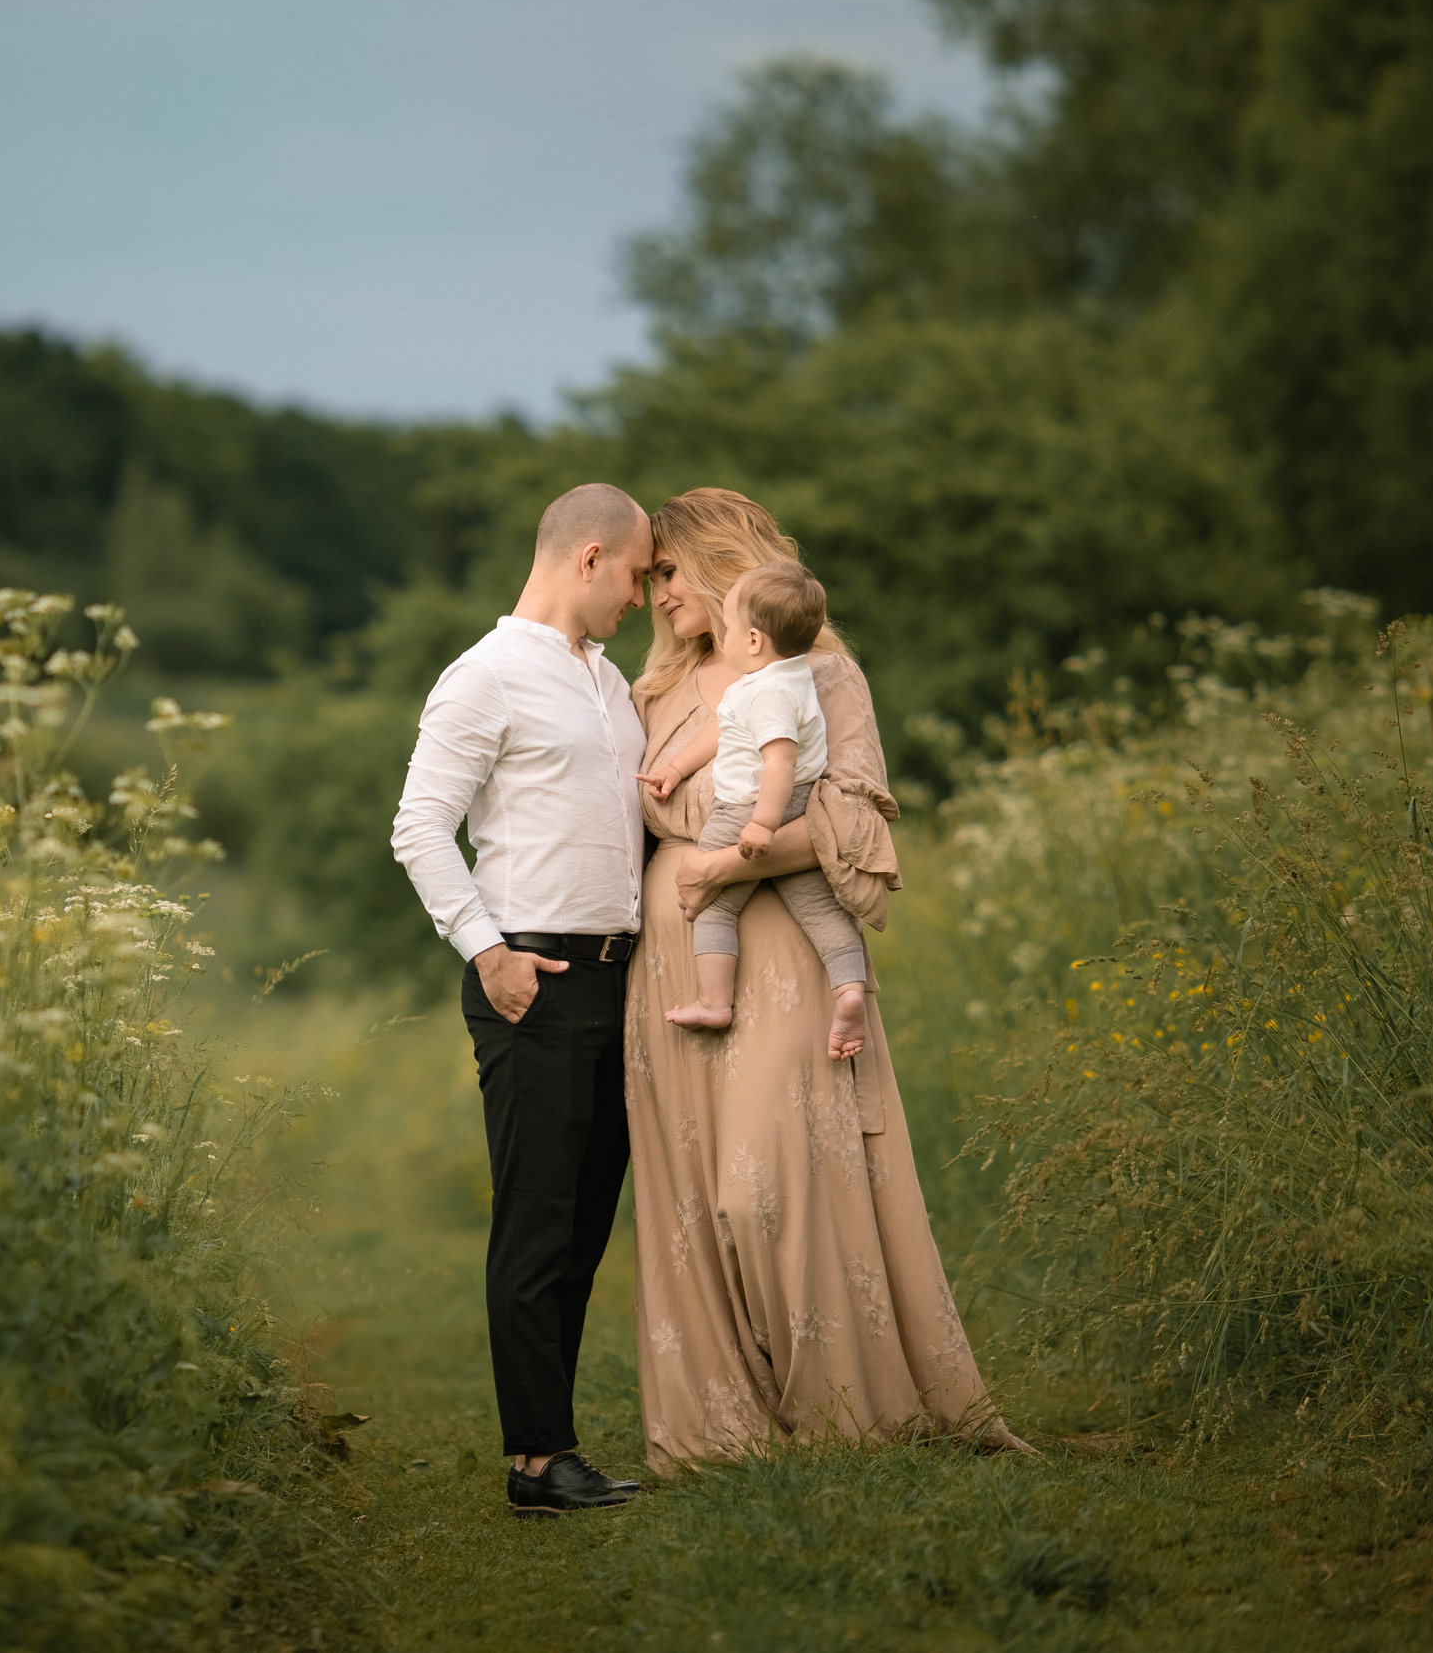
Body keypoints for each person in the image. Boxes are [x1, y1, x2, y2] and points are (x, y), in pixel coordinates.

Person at [622, 487, 1028, 1469]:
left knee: (761, 1189)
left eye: (667, 572)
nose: (655, 596)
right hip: (675, 955)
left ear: (720, 561)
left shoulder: (822, 672)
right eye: (645, 579)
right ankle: (725, 1423)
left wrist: (726, 863)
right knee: (691, 1204)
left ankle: (846, 1409)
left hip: (791, 958)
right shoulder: (650, 690)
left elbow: (853, 824)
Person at [389, 482, 654, 1518]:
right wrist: (485, 947)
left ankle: (555, 1442)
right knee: (539, 1220)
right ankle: (537, 1459)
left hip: (616, 978)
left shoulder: (608, 677)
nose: (639, 595)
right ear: (589, 558)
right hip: (530, 980)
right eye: (635, 574)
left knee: (586, 1223)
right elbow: (419, 826)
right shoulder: (482, 676)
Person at [638, 560, 871, 1057]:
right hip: (787, 807)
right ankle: (849, 990)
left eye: (728, 623)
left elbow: (780, 760)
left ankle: (714, 1000)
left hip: (749, 809)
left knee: (715, 903)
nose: (723, 632)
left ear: (753, 640)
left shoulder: (765, 692)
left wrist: (762, 824)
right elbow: (721, 733)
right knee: (823, 909)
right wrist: (675, 769)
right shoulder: (784, 679)